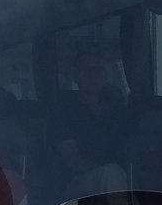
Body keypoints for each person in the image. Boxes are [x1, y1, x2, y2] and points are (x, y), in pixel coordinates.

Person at [51, 50, 129, 197]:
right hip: (76, 183)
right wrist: (104, 170)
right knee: (112, 174)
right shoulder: (63, 110)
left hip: (118, 179)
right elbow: (71, 158)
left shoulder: (116, 111)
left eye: (98, 70)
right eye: (86, 70)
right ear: (76, 76)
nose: (93, 75)